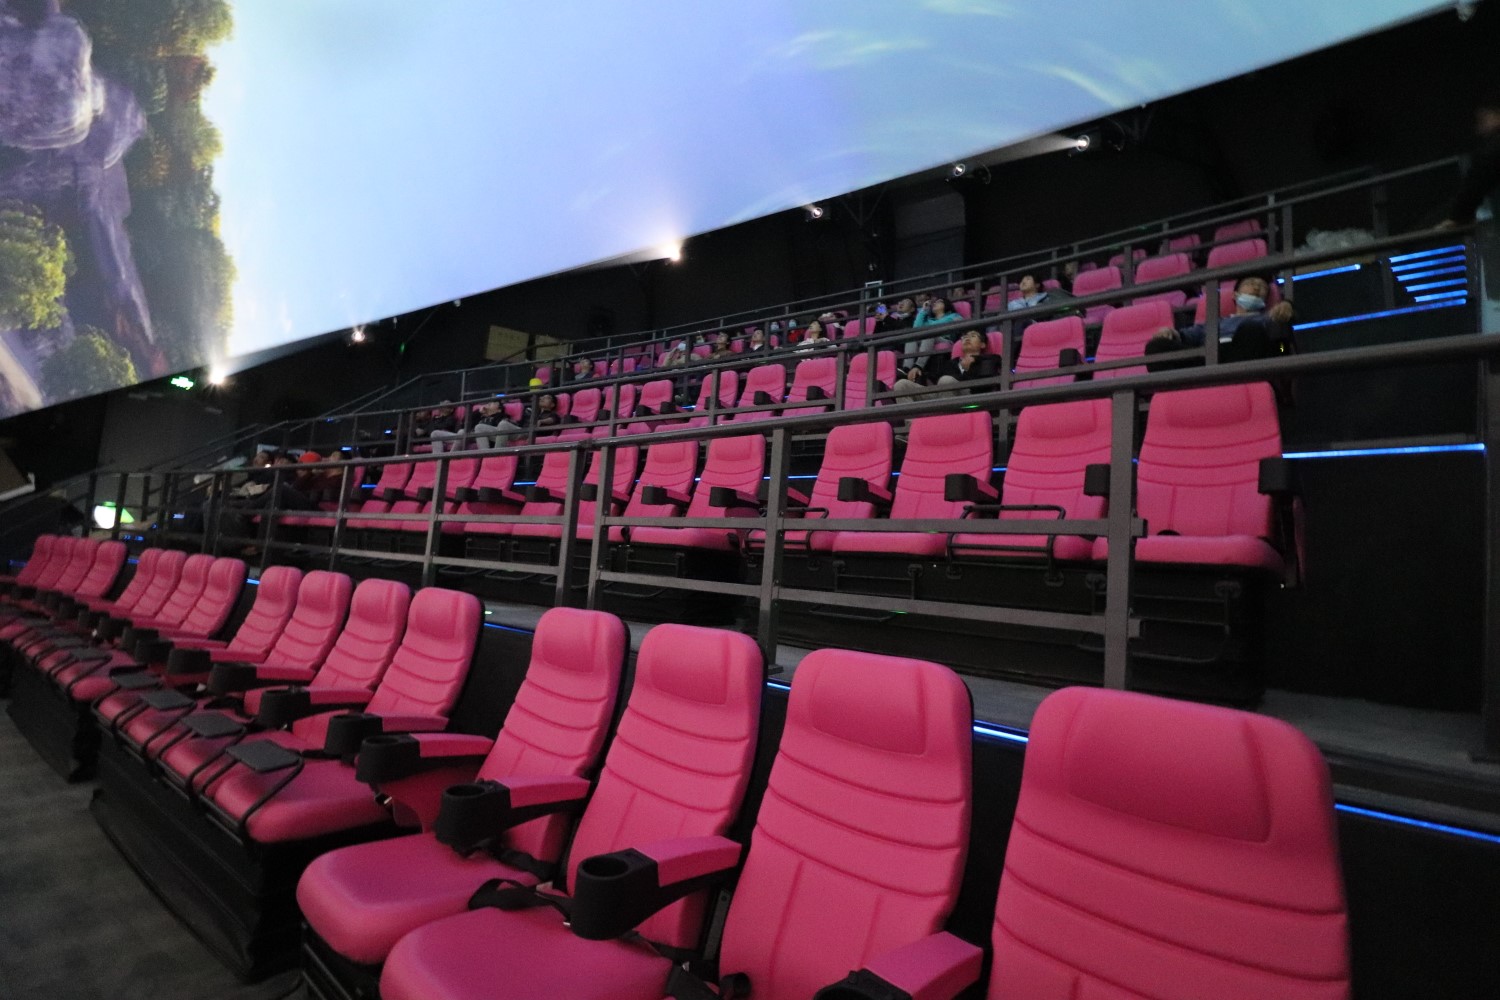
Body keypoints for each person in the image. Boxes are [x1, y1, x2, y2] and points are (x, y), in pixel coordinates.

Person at [1145, 276, 1293, 364]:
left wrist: (1287, 307)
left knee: (1251, 329)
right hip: (1207, 360)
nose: (1256, 288)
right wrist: (1169, 332)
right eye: (1250, 283)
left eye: (1262, 287)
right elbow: (1186, 335)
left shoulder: (1271, 318)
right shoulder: (1214, 323)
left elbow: (1281, 348)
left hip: (1244, 361)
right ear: (1235, 295)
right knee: (1156, 346)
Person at [1440, 91, 1500, 228]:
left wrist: (1459, 216)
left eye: (1483, 119)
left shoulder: (1494, 149)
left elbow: (1478, 179)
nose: (1479, 128)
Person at [892, 329, 1000, 399]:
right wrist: (919, 370)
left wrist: (968, 369)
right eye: (965, 336)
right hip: (941, 394)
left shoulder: (990, 359)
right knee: (901, 385)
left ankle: (948, 422)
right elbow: (935, 380)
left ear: (982, 344)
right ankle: (911, 426)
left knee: (946, 381)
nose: (967, 338)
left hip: (971, 398)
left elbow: (984, 387)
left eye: (973, 336)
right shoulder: (951, 362)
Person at [906, 296, 962, 365]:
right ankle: (907, 367)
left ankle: (918, 365)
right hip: (926, 338)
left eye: (939, 302)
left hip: (944, 339)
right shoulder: (928, 320)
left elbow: (960, 324)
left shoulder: (953, 316)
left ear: (946, 305)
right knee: (911, 339)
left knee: (929, 334)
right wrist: (923, 311)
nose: (935, 303)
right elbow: (916, 328)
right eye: (934, 302)